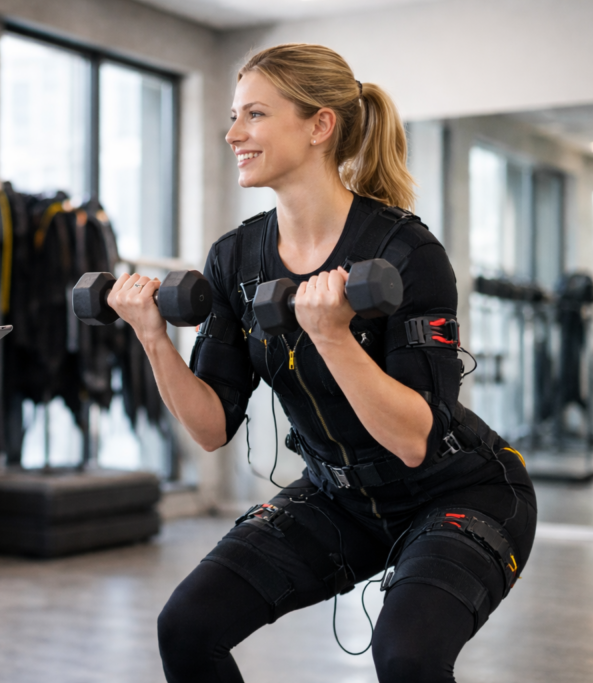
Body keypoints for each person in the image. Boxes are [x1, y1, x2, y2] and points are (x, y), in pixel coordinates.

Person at [107, 43, 537, 683]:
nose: (233, 134)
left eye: (254, 115)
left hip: (460, 490)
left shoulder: (404, 251)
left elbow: (415, 440)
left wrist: (333, 337)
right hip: (340, 495)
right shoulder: (236, 259)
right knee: (188, 626)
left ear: (319, 125)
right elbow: (209, 428)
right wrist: (152, 338)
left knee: (409, 656)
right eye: (233, 116)